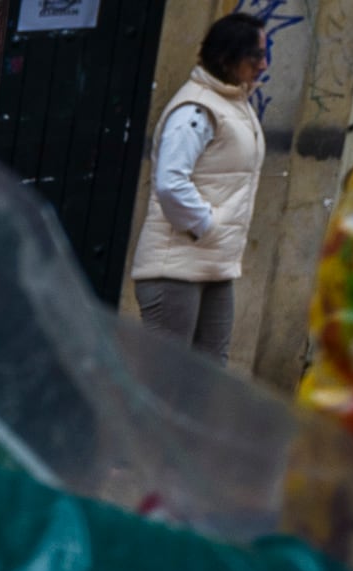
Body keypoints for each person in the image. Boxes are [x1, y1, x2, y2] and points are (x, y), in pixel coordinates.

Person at [133, 14, 272, 361]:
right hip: (175, 268)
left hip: (215, 264)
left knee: (209, 375)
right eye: (256, 55)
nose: (264, 64)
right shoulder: (196, 108)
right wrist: (206, 226)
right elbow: (170, 182)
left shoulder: (232, 103)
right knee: (166, 379)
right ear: (227, 57)